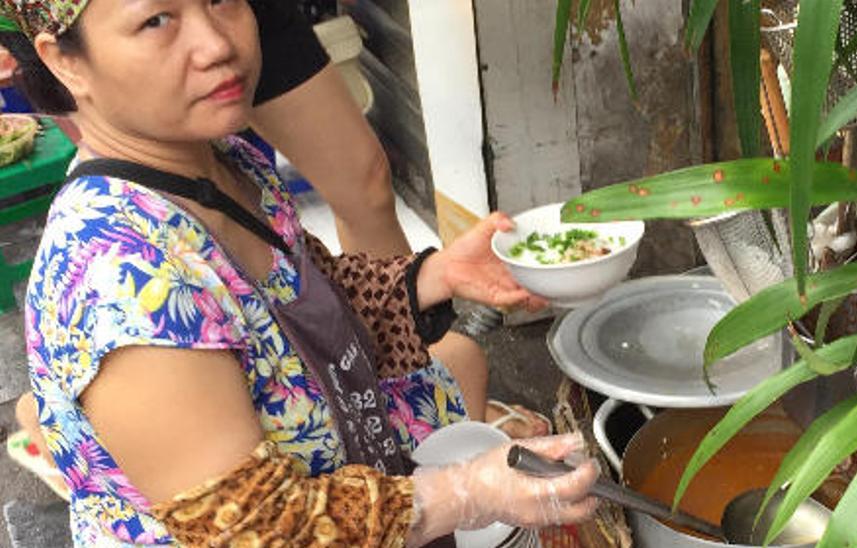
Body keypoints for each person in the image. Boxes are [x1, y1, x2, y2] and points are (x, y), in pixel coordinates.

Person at [1, 0, 598, 545]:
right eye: (157, 20)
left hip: (337, 444)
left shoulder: (223, 162)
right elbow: (256, 530)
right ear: (65, 63)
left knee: (463, 360)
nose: (216, 45)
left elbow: (304, 302)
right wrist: (470, 492)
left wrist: (436, 276)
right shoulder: (120, 277)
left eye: (222, 0)